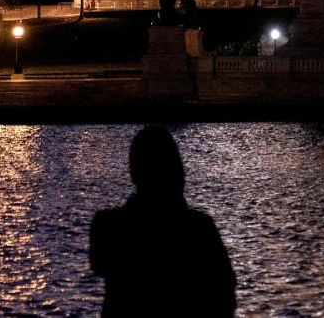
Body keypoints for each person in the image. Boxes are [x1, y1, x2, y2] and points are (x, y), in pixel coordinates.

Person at [90, 126, 236, 317]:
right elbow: (225, 295)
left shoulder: (107, 226)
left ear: (135, 173)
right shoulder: (200, 229)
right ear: (176, 173)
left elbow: (101, 265)